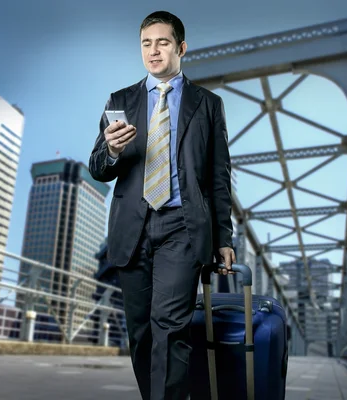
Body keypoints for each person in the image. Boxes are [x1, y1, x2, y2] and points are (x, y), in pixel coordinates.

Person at [88, 10, 235, 400]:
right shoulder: (119, 100)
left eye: (162, 42)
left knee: (169, 328)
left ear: (181, 47)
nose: (153, 51)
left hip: (182, 228)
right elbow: (97, 168)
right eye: (146, 43)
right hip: (132, 227)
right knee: (140, 332)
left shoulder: (208, 105)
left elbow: (218, 177)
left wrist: (225, 236)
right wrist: (112, 151)